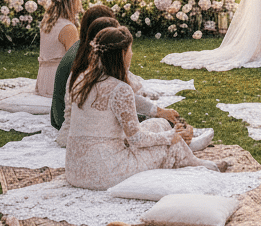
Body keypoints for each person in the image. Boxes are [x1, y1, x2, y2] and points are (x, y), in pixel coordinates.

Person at [66, 26, 224, 190]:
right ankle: (194, 162)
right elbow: (136, 140)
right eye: (130, 50)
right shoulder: (120, 88)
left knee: (160, 124)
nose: (132, 54)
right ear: (122, 54)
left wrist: (158, 112)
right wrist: (170, 136)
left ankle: (188, 151)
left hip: (75, 170)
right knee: (164, 140)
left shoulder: (81, 79)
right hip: (105, 172)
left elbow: (124, 100)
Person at [55, 13, 180, 146]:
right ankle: (183, 144)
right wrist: (161, 117)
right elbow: (129, 101)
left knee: (156, 124)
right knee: (156, 128)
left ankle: (182, 142)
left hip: (75, 137)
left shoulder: (88, 69)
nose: (131, 53)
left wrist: (158, 111)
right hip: (94, 141)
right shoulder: (95, 76)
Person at [35, 0, 82, 98]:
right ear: (70, 1)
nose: (80, 1)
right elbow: (75, 62)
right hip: (58, 82)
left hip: (44, 79)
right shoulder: (68, 28)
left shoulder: (48, 22)